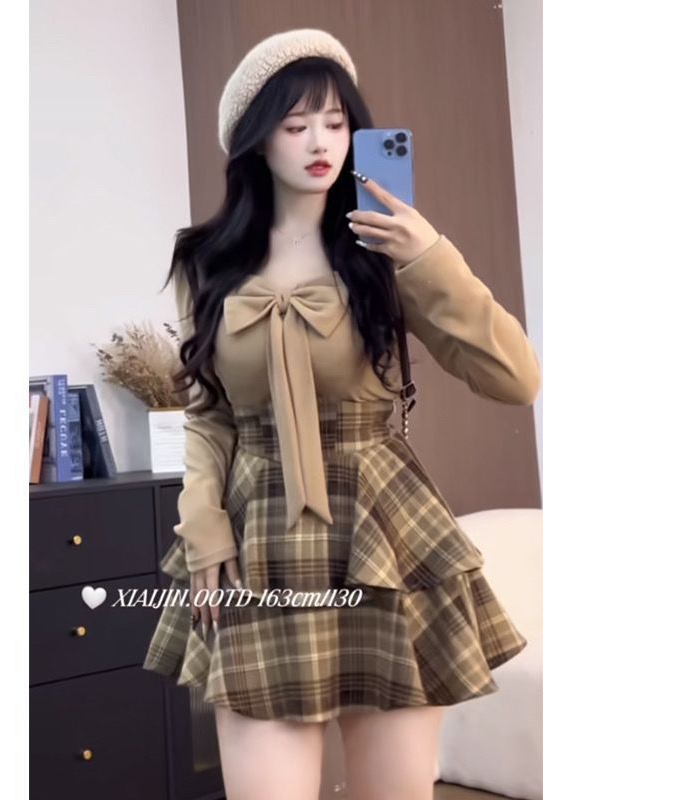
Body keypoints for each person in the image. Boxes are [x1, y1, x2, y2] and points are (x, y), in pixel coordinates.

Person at [142, 28, 540, 800]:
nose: (321, 142)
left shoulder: (383, 250)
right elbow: (208, 413)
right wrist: (203, 529)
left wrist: (429, 257)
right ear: (258, 141)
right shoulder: (205, 261)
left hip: (381, 529)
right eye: (296, 125)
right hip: (257, 537)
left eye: (335, 121)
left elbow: (515, 379)